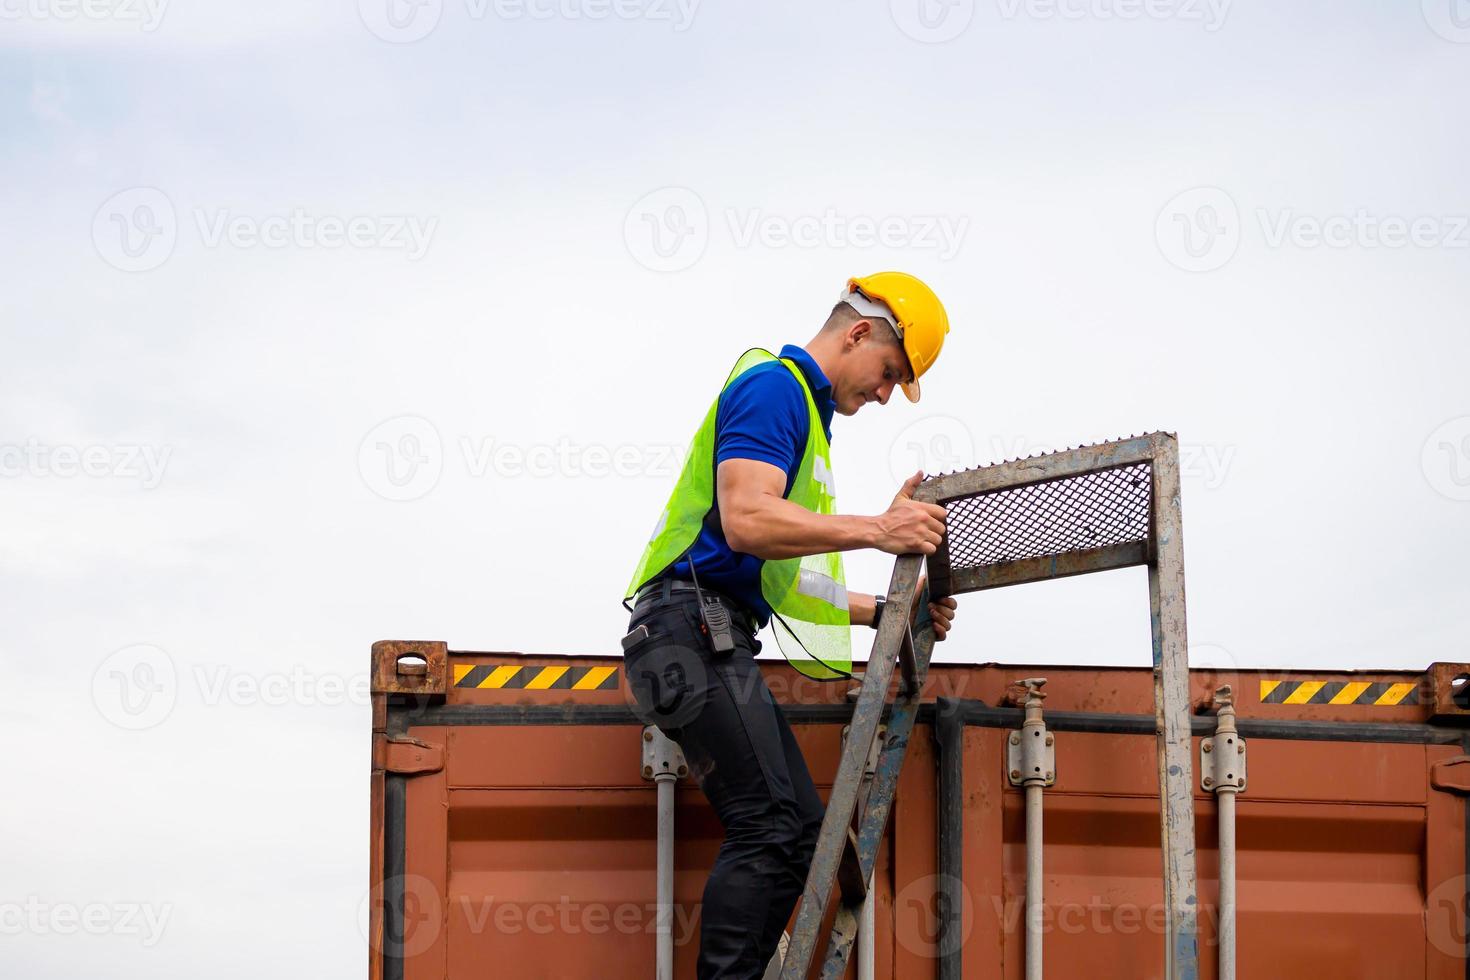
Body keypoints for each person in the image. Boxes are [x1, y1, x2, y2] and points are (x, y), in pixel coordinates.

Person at [621, 272, 960, 979]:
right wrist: (880, 527)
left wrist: (891, 613)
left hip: (705, 631)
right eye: (890, 373)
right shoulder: (775, 388)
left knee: (801, 833)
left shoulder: (805, 421)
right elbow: (747, 520)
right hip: (688, 630)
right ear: (859, 332)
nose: (886, 394)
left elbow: (780, 578)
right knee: (771, 826)